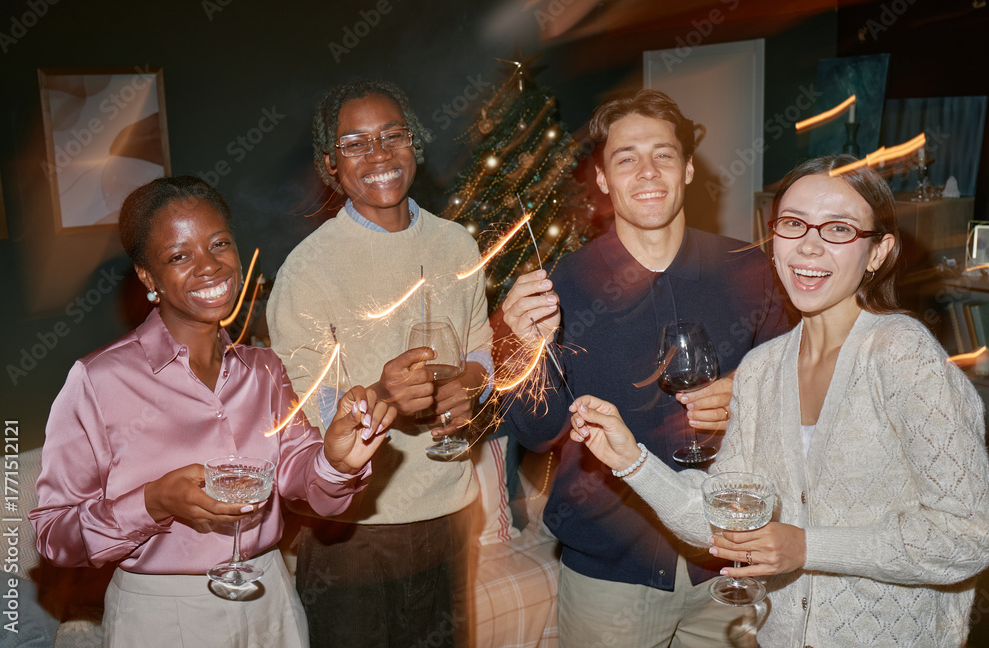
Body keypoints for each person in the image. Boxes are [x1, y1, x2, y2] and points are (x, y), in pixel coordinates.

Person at [568, 155, 989, 647]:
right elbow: (720, 523)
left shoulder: (902, 355)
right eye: (793, 224)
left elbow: (969, 536)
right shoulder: (762, 368)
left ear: (878, 252)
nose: (808, 246)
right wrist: (630, 460)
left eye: (838, 229)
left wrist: (808, 547)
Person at [30, 176, 393, 647]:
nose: (209, 266)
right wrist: (153, 502)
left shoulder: (263, 368)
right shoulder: (99, 381)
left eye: (219, 244)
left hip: (270, 601)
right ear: (147, 277)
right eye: (179, 256)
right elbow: (54, 537)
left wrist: (338, 462)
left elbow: (306, 486)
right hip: (163, 618)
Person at [500, 88, 791, 647]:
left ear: (686, 168)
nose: (648, 171)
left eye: (663, 154)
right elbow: (538, 435)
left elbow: (801, 383)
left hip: (727, 565)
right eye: (626, 157)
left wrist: (747, 393)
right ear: (604, 180)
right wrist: (522, 348)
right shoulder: (563, 285)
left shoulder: (747, 267)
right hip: (611, 574)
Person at [266, 78, 492, 647]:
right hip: (355, 534)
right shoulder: (307, 270)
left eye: (393, 135)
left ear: (414, 144)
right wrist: (379, 395)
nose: (379, 155)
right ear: (329, 166)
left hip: (451, 514)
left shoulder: (457, 245)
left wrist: (471, 383)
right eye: (355, 143)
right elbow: (306, 410)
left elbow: (480, 351)